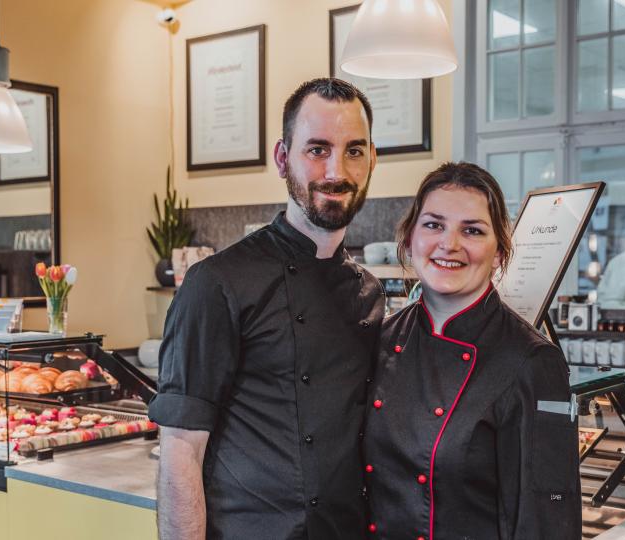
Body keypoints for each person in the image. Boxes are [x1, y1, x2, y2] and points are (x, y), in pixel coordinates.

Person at [149, 78, 384, 539]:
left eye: (354, 151)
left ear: (372, 159)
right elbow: (180, 450)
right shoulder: (217, 283)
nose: (336, 170)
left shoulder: (369, 294)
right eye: (317, 149)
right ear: (282, 158)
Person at [363, 162, 581, 539]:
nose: (449, 244)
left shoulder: (532, 362)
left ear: (498, 253)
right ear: (410, 239)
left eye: (473, 230)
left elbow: (546, 520)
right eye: (434, 225)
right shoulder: (381, 337)